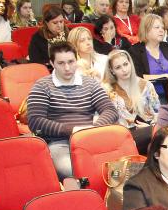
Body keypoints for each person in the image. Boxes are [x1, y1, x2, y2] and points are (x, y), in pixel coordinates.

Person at [26, 41, 118, 179]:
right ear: (52, 64)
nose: (67, 68)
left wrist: (94, 129)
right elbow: (35, 122)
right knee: (74, 171)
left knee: (117, 168)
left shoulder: (90, 83)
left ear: (77, 60)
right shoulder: (42, 86)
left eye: (71, 61)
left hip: (91, 138)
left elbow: (110, 110)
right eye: (61, 63)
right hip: (60, 143)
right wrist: (73, 130)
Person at [103, 49, 159, 153]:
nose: (124, 69)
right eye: (118, 67)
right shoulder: (108, 91)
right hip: (123, 135)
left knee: (158, 133)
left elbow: (158, 112)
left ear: (130, 63)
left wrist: (151, 126)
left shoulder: (147, 85)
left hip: (149, 128)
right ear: (112, 70)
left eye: (125, 64)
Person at [129, 13, 168, 103]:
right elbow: (138, 77)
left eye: (162, 28)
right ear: (146, 30)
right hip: (150, 96)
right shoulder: (135, 51)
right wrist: (164, 76)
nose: (161, 30)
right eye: (157, 28)